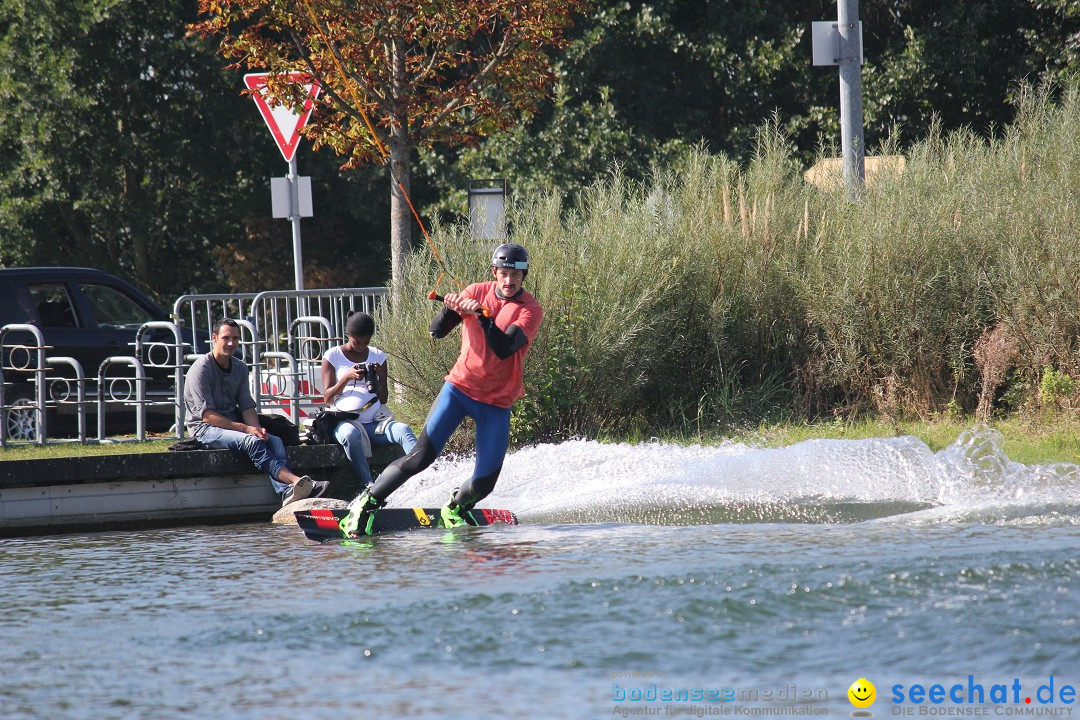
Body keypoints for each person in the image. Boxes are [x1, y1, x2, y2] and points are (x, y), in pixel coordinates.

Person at [341, 243, 544, 537]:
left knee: (485, 482)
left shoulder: (530, 309)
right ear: (494, 273)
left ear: (524, 276)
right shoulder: (475, 290)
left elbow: (504, 348)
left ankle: (456, 507)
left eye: (515, 274)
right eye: (503, 274)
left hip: (497, 402)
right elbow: (436, 331)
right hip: (459, 389)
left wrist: (483, 316)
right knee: (420, 458)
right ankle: (366, 504)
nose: (509, 280)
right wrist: (451, 310)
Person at [184, 318, 328, 506]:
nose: (231, 343)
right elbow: (207, 416)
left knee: (273, 440)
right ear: (214, 338)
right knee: (251, 441)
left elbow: (246, 406)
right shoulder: (201, 369)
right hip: (205, 428)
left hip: (232, 423)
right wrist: (247, 430)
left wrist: (257, 429)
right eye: (226, 338)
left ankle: (286, 492)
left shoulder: (240, 368)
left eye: (235, 339)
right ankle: (295, 481)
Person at [320, 311, 418, 488]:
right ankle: (369, 486)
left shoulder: (378, 356)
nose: (361, 346)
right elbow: (327, 397)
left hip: (375, 423)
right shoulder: (332, 355)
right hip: (345, 422)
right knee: (350, 435)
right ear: (348, 335)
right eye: (357, 342)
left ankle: (423, 475)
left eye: (366, 342)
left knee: (403, 430)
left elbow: (384, 398)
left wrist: (380, 377)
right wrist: (346, 377)